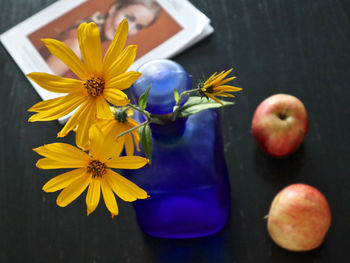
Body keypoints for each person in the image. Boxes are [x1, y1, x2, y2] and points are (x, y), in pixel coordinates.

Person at [43, 0, 162, 77]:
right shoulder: (78, 45)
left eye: (138, 26)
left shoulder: (88, 38)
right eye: (129, 18)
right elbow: (43, 86)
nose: (128, 29)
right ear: (114, 8)